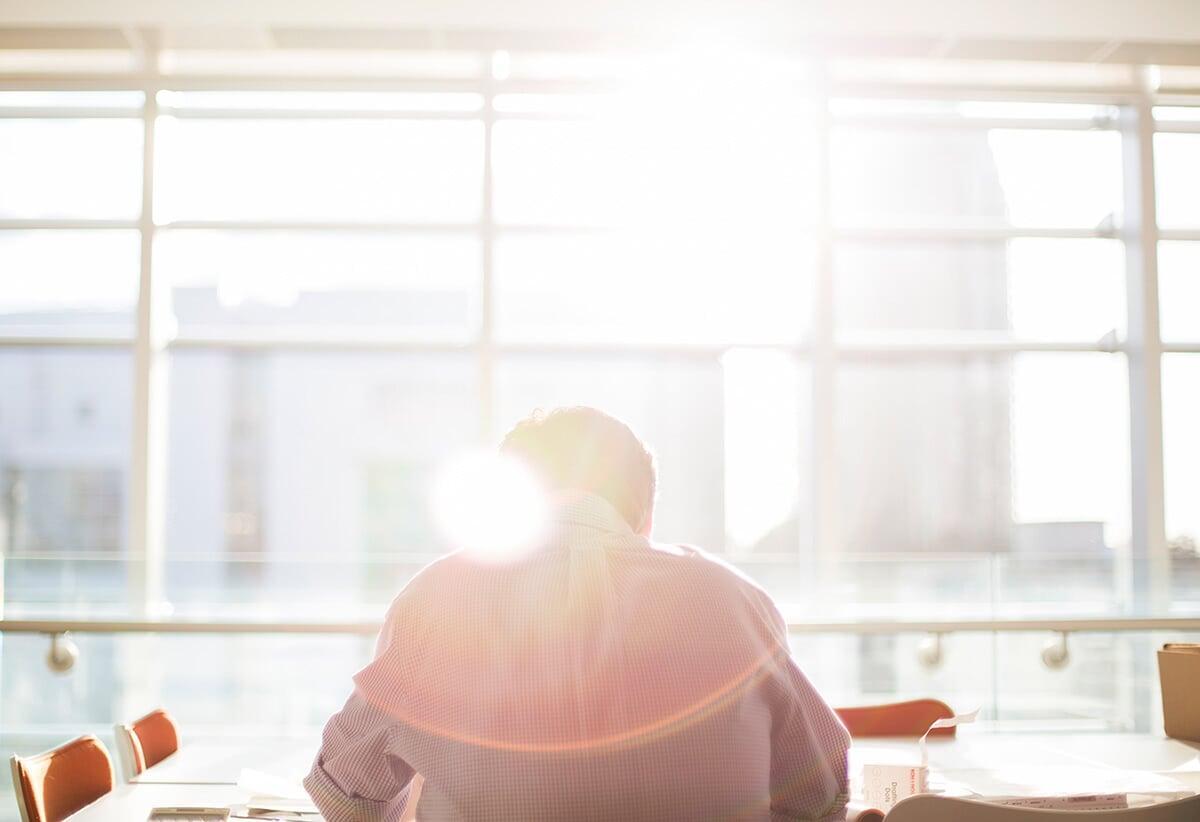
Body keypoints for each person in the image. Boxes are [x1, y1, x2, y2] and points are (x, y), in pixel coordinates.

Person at [306, 406, 850, 821]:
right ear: (646, 512)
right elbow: (821, 792)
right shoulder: (735, 602)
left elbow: (344, 793)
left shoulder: (439, 598)